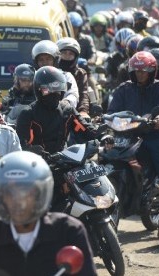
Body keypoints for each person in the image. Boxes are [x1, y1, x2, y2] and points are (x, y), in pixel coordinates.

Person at [0, 151, 97, 275]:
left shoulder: (68, 231)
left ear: (39, 193)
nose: (18, 199)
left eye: (25, 191)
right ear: (1, 196)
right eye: (10, 192)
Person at [16, 66, 101, 211]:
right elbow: (20, 146)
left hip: (66, 163)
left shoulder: (67, 109)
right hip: (38, 169)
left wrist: (103, 135)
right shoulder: (27, 114)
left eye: (58, 90)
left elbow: (86, 129)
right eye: (49, 90)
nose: (54, 94)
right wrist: (33, 150)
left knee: (94, 180)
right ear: (38, 90)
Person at [108, 51, 159, 178]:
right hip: (126, 136)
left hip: (153, 135)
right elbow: (112, 112)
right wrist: (106, 119)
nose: (139, 74)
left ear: (151, 72)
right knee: (105, 156)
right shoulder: (124, 89)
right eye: (137, 71)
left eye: (143, 71)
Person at [31, 40, 80, 110]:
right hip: (35, 113)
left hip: (59, 113)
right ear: (36, 62)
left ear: (55, 60)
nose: (45, 62)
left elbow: (73, 94)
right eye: (41, 60)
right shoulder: (32, 76)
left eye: (48, 59)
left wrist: (66, 102)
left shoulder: (66, 76)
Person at [56, 37, 90, 117]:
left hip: (73, 114)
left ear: (76, 57)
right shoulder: (51, 70)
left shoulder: (80, 73)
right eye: (64, 53)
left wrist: (83, 111)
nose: (67, 56)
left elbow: (83, 94)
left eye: (71, 54)